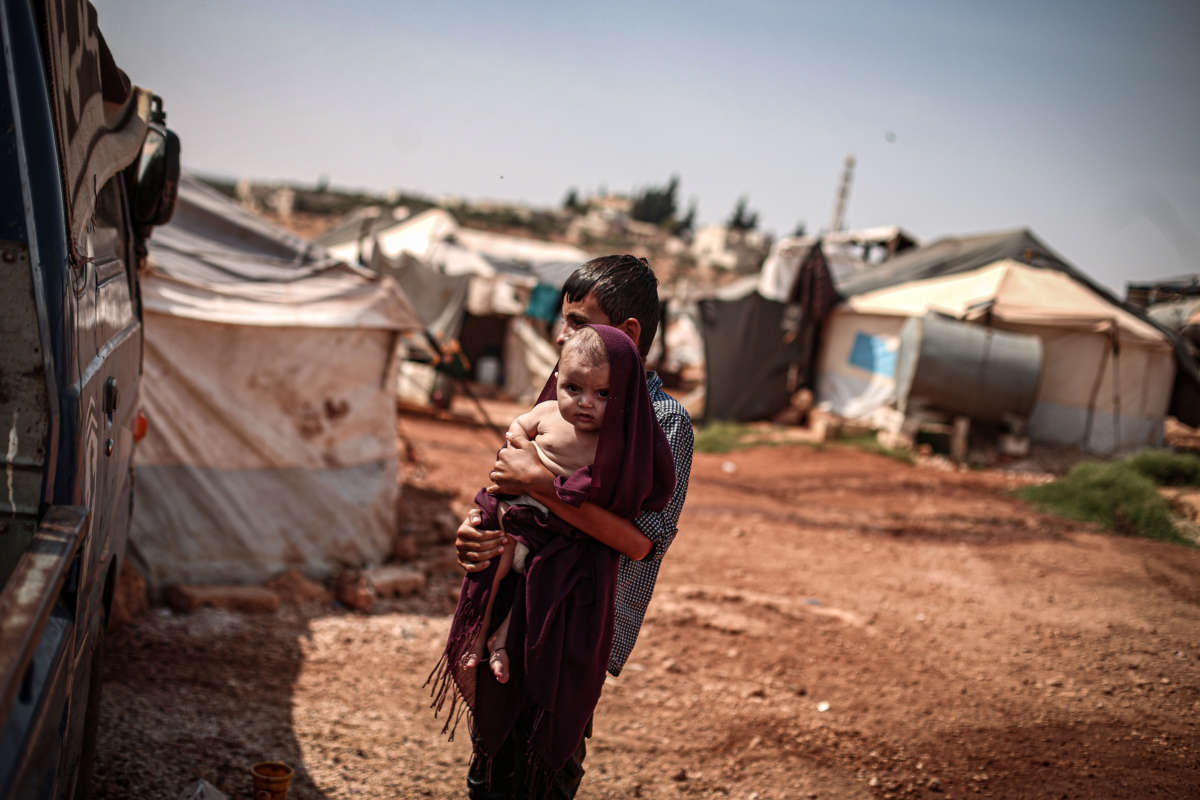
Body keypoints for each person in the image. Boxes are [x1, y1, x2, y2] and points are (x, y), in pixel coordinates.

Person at [454, 255, 695, 799]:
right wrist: (474, 529)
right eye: (565, 321)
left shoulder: (663, 421)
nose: (562, 334)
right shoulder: (568, 389)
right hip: (517, 602)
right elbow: (509, 483)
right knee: (491, 766)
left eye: (578, 323)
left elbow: (639, 542)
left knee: (545, 764)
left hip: (576, 627)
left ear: (627, 334)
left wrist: (543, 485)